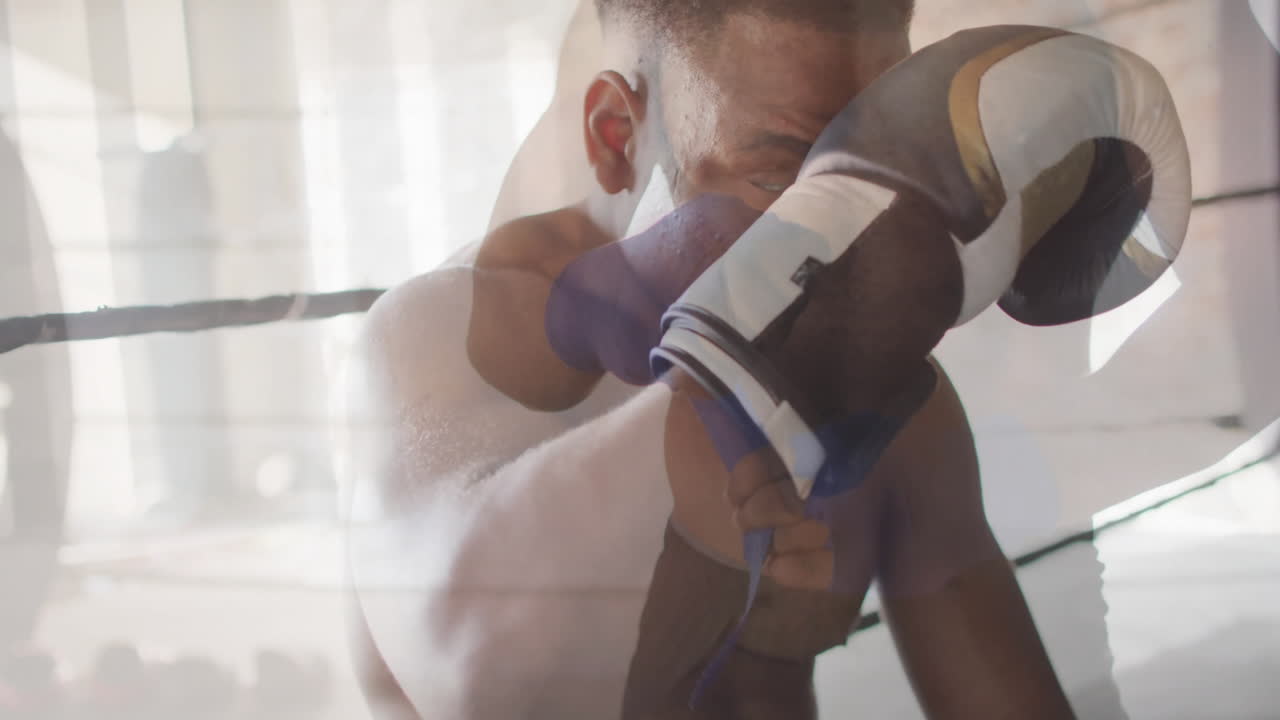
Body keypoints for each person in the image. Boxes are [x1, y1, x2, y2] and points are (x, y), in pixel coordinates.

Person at [347, 1, 1081, 717]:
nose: (848, 229)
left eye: (879, 164)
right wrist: (736, 387)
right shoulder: (445, 336)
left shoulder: (879, 391)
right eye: (780, 176)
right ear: (617, 138)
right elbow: (474, 661)